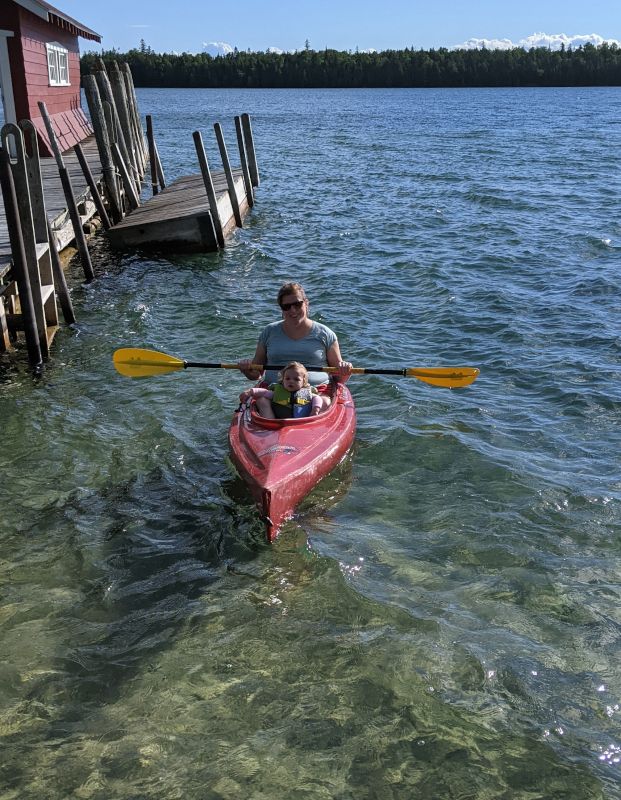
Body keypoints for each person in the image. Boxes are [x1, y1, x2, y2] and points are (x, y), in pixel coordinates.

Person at [238, 282, 353, 406]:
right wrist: (246, 369)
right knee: (261, 403)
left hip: (315, 392)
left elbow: (339, 379)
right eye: (286, 306)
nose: (293, 310)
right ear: (281, 308)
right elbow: (255, 374)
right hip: (274, 390)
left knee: (324, 403)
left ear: (306, 303)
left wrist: (345, 370)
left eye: (297, 304)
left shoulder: (325, 334)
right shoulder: (269, 332)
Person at [239, 361, 323, 419]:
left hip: (302, 422)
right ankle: (269, 424)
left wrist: (315, 409)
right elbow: (264, 392)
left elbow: (317, 398)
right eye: (287, 378)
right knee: (261, 400)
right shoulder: (277, 392)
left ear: (304, 381)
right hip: (279, 422)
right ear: (282, 380)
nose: (291, 381)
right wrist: (250, 391)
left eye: (296, 379)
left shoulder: (307, 393)